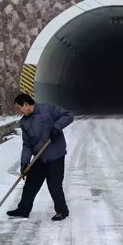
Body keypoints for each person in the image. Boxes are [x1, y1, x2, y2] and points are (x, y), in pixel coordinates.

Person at [7, 93, 73, 221]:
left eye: (18, 107)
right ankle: (23, 210)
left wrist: (57, 127)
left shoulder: (47, 110)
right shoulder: (24, 122)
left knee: (54, 185)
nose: (18, 111)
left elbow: (68, 115)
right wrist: (24, 163)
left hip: (55, 156)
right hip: (39, 158)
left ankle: (62, 211)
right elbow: (27, 145)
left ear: (26, 104)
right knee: (30, 185)